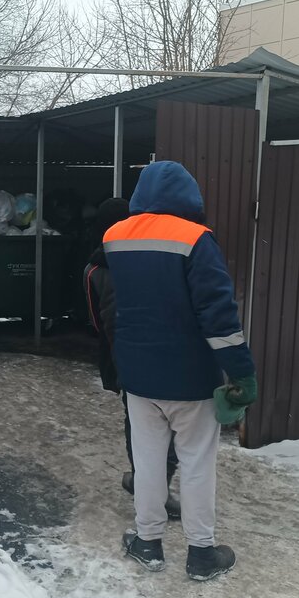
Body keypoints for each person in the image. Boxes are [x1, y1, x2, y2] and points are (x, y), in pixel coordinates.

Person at [103, 161, 257, 581]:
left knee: (148, 462)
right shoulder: (196, 238)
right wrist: (241, 372)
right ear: (189, 195)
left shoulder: (114, 237)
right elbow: (219, 316)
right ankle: (201, 553)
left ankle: (147, 542)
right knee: (197, 464)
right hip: (191, 378)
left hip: (138, 376)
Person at [84, 197, 180, 520]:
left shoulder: (93, 269)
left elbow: (95, 321)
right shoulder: (147, 258)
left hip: (121, 357)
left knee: (137, 422)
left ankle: (143, 480)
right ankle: (155, 490)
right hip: (158, 351)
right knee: (169, 422)